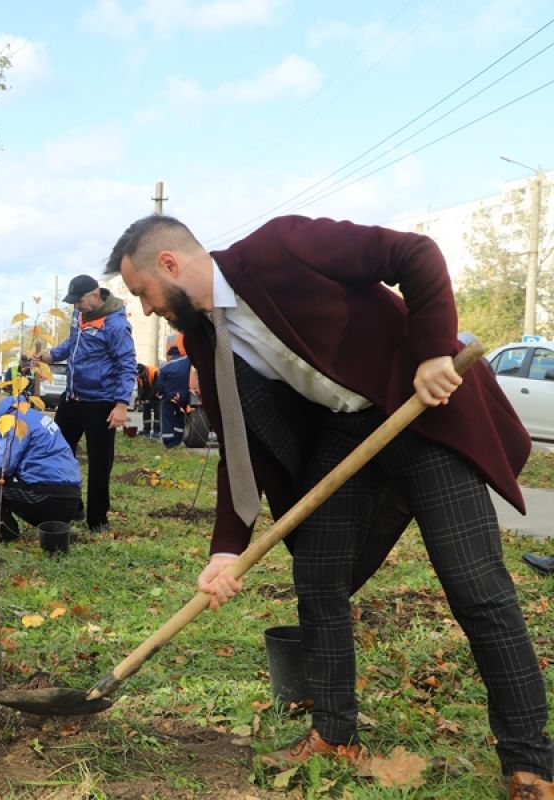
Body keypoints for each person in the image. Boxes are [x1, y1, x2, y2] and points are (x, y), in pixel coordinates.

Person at [106, 213, 551, 798]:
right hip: (350, 432)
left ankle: (530, 762)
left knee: (475, 585)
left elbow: (414, 253)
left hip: (420, 411)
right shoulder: (208, 343)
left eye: (143, 293)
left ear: (169, 264)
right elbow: (238, 448)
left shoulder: (279, 249)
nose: (145, 309)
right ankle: (335, 731)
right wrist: (225, 551)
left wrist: (430, 353)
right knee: (317, 573)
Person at [34, 274, 137, 533]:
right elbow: (72, 344)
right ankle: (71, 507)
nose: (76, 306)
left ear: (94, 294)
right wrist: (51, 355)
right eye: (73, 303)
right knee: (58, 452)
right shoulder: (78, 315)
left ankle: (97, 520)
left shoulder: (116, 325)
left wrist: (121, 404)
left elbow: (127, 365)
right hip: (72, 398)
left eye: (79, 301)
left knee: (99, 463)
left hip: (101, 402)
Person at [0, 394, 83, 541]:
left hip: (48, 498)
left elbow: (2, 464)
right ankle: (56, 529)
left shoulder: (13, 421)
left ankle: (8, 535)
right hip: (72, 498)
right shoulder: (33, 415)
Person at [154, 346, 192, 448]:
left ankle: (168, 442)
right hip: (183, 397)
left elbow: (159, 385)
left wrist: (161, 393)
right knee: (180, 417)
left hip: (169, 397)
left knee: (167, 418)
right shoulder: (187, 361)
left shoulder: (165, 367)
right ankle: (177, 440)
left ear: (169, 356)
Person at [135, 362, 159, 437]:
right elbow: (140, 389)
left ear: (145, 370)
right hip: (146, 395)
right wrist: (139, 399)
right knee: (146, 413)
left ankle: (157, 431)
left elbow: (155, 387)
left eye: (140, 373)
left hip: (156, 394)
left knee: (157, 413)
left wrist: (149, 398)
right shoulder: (139, 376)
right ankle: (146, 430)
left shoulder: (154, 372)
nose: (139, 375)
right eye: (138, 374)